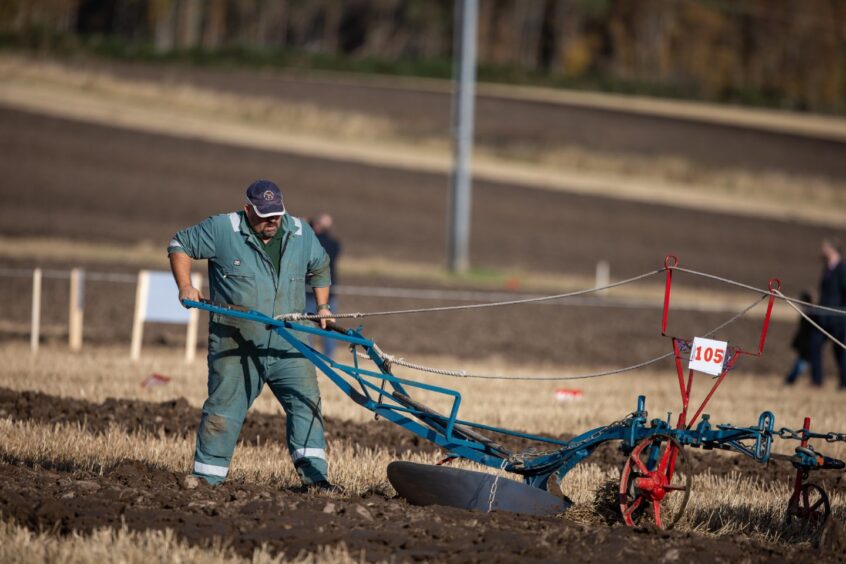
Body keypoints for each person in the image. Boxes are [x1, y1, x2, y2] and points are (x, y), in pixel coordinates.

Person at [167, 179, 341, 492]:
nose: (272, 220)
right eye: (264, 215)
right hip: (237, 341)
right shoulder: (223, 229)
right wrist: (185, 286)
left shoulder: (300, 233)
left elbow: (320, 266)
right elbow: (179, 245)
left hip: (291, 342)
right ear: (248, 209)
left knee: (306, 405)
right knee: (224, 409)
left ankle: (316, 480)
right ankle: (207, 480)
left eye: (277, 213)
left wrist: (324, 306)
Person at [808, 238, 846, 389]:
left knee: (840, 351)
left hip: (838, 318)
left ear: (832, 249)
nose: (822, 250)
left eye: (824, 247)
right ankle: (816, 382)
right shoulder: (827, 268)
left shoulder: (842, 268)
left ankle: (844, 383)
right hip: (822, 316)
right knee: (814, 345)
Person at [305, 213, 342, 358]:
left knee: (325, 325)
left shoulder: (323, 243)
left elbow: (316, 253)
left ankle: (321, 355)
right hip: (313, 291)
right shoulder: (335, 243)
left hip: (320, 291)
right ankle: (321, 355)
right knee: (311, 327)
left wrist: (308, 226)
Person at [784, 291, 814, 385]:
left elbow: (806, 333)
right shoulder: (805, 314)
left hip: (808, 347)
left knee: (801, 366)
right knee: (799, 365)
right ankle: (789, 381)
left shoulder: (811, 315)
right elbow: (800, 332)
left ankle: (790, 381)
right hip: (803, 347)